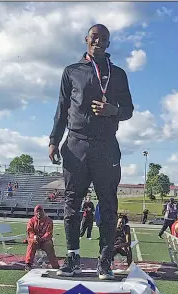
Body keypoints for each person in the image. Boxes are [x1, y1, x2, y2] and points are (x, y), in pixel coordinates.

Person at [49, 24, 134, 279]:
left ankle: (104, 261)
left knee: (108, 205)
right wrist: (54, 139)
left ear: (108, 43)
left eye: (104, 38)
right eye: (95, 37)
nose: (99, 41)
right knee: (72, 203)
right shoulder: (71, 71)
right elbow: (62, 108)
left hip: (107, 146)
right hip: (76, 144)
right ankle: (72, 257)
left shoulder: (118, 74)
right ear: (87, 39)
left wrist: (113, 110)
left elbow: (129, 109)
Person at [25, 204, 59, 271]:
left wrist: (42, 239)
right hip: (35, 240)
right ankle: (28, 264)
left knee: (49, 244)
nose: (38, 213)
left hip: (45, 241)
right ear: (35, 212)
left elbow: (49, 233)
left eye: (40, 211)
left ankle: (55, 265)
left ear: (43, 212)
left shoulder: (49, 221)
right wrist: (34, 237)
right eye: (37, 212)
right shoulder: (31, 221)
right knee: (31, 243)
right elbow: (30, 231)